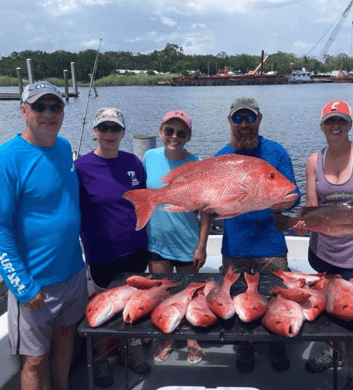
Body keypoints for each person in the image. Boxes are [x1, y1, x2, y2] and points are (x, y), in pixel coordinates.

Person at [0, 81, 88, 390]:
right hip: (35, 282)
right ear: (23, 111)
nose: (48, 113)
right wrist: (23, 286)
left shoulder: (64, 147)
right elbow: (0, 229)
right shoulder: (7, 157)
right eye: (39, 107)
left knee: (66, 338)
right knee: (34, 361)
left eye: (55, 107)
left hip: (74, 273)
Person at [293, 100, 353, 390]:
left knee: (350, 313)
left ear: (350, 124)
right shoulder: (313, 161)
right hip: (323, 251)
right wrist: (301, 224)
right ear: (322, 125)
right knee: (331, 309)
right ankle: (335, 354)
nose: (336, 126)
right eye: (330, 121)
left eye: (342, 121)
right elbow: (311, 206)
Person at [215, 97, 301, 373]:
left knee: (277, 299)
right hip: (235, 246)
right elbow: (213, 199)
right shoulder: (222, 157)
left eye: (249, 118)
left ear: (259, 119)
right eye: (238, 119)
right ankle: (245, 346)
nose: (243, 125)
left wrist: (286, 202)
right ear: (230, 121)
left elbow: (294, 193)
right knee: (239, 299)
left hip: (271, 245)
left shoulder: (275, 152)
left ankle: (278, 345)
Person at [75, 107, 152, 387]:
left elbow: (144, 201)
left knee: (130, 306)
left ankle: (126, 351)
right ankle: (102, 359)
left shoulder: (133, 162)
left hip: (134, 248)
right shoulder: (80, 168)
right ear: (95, 131)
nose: (109, 134)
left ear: (122, 132)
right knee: (106, 310)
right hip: (102, 253)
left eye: (115, 129)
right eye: (104, 128)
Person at [143, 110, 211, 365]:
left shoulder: (197, 163)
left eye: (181, 132)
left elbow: (205, 210)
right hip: (157, 242)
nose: (174, 137)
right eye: (169, 131)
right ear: (161, 132)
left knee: (189, 294)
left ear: (189, 136)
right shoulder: (149, 157)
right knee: (164, 293)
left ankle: (192, 338)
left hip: (187, 242)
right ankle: (169, 337)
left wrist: (201, 246)